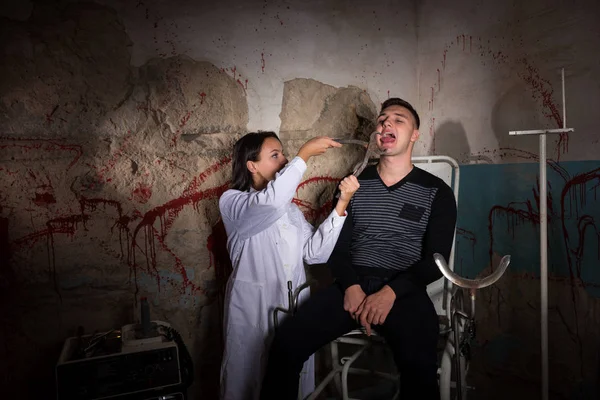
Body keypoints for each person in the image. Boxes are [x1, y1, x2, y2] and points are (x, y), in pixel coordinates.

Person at [260, 98, 458, 400]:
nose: (386, 123)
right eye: (382, 119)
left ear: (415, 134)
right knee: (286, 342)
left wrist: (390, 293)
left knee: (420, 368)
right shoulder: (353, 184)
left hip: (404, 291)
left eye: (398, 119)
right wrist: (350, 286)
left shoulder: (436, 191)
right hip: (352, 285)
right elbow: (336, 247)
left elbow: (436, 259)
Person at [218, 131, 360, 400]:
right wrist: (303, 154)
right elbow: (268, 204)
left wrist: (342, 203)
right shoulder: (233, 202)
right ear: (252, 165)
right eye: (275, 155)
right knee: (249, 377)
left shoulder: (291, 211)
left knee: (289, 380)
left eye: (284, 154)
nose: (284, 160)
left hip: (292, 307)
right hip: (254, 308)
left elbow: (315, 254)